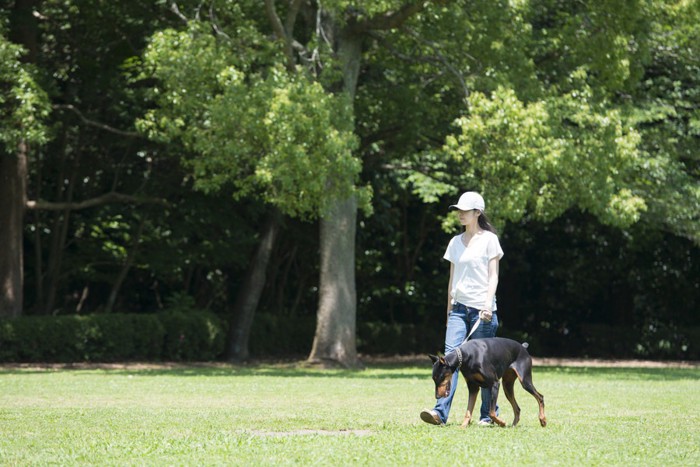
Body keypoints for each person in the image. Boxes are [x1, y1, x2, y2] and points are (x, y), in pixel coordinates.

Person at [420, 191, 504, 426]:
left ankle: (488, 415)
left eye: (465, 210)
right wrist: (449, 311)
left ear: (477, 212)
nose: (460, 213)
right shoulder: (455, 242)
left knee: (483, 365)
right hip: (458, 310)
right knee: (449, 361)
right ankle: (440, 413)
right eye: (458, 210)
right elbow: (452, 279)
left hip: (482, 311)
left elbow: (493, 276)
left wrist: (488, 304)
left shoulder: (489, 240)